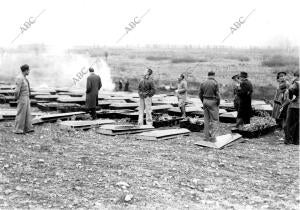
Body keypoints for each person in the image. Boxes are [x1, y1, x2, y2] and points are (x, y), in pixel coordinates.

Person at [199, 71, 220, 141]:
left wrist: (203, 101)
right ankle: (213, 137)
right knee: (214, 120)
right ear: (214, 75)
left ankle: (206, 137)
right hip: (213, 101)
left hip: (205, 100)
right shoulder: (215, 83)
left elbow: (200, 94)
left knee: (206, 119)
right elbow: (218, 95)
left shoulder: (203, 82)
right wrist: (218, 103)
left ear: (208, 75)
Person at [14, 64, 34, 134]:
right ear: (25, 70)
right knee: (21, 113)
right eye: (28, 70)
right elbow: (17, 90)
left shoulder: (24, 78)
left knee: (27, 113)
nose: (29, 72)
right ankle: (18, 129)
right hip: (22, 97)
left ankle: (28, 128)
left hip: (26, 97)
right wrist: (17, 98)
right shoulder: (20, 78)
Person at [284, 72, 299, 145]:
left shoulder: (297, 83)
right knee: (297, 124)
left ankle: (288, 140)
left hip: (294, 106)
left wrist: (290, 98)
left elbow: (290, 89)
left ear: (296, 76)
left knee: (288, 124)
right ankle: (296, 141)